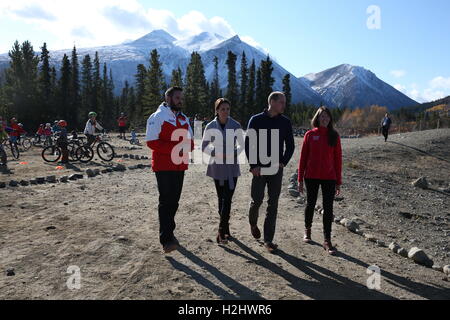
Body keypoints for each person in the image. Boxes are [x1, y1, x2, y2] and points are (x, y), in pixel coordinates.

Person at [145, 87, 194, 254]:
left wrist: (185, 148)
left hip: (180, 165)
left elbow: (191, 142)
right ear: (168, 98)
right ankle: (166, 239)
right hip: (164, 166)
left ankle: (170, 232)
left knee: (174, 201)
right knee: (166, 201)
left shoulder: (184, 119)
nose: (181, 100)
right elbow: (151, 142)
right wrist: (175, 148)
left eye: (182, 97)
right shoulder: (158, 117)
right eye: (177, 97)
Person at [245, 92, 295, 254]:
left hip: (276, 170)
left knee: (273, 203)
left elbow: (291, 146)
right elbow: (248, 144)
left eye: (284, 103)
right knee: (257, 200)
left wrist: (283, 162)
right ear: (272, 102)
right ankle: (253, 223)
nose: (284, 105)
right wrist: (253, 166)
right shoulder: (256, 119)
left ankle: (268, 240)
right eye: (281, 102)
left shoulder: (285, 122)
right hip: (259, 168)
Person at [298, 106, 342, 255]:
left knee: (328, 209)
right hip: (311, 176)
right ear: (317, 118)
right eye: (322, 116)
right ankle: (307, 229)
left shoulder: (334, 136)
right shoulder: (309, 135)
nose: (325, 119)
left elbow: (338, 160)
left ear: (330, 119)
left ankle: (327, 240)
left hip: (329, 177)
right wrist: (299, 179)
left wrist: (338, 181)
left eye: (327, 117)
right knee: (310, 204)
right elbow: (303, 158)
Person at [202, 98, 244, 244]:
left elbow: (242, 145)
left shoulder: (236, 125)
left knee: (228, 198)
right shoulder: (210, 126)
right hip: (217, 166)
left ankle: (221, 230)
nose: (225, 112)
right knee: (221, 198)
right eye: (222, 109)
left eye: (227, 109)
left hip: (231, 167)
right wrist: (217, 153)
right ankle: (225, 229)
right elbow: (204, 146)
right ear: (217, 111)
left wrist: (232, 153)